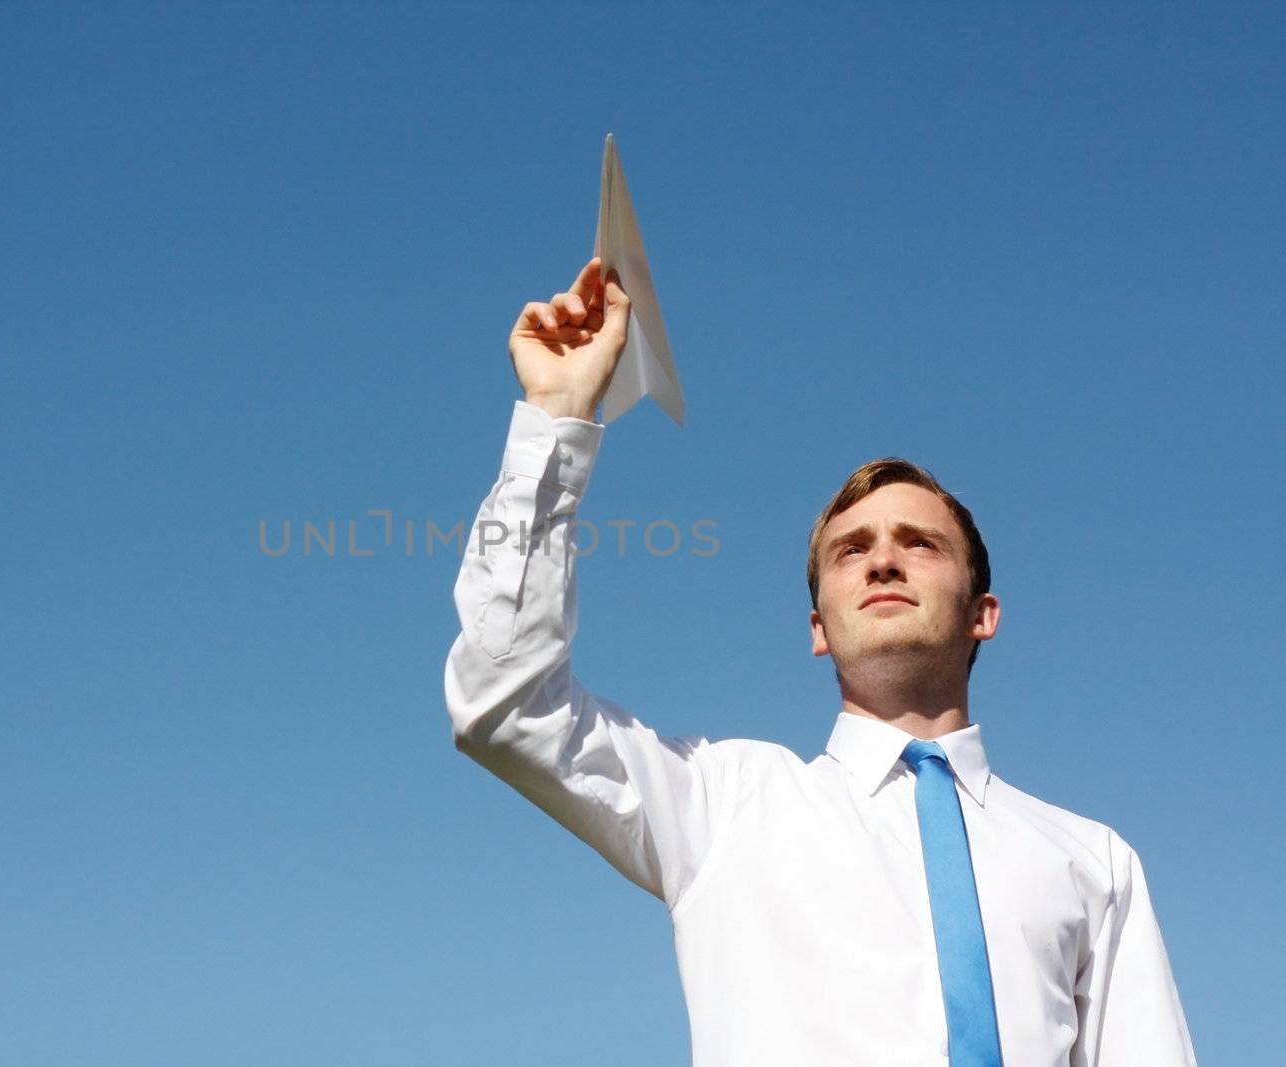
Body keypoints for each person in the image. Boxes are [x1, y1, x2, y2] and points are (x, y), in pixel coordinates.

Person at [442, 258, 1197, 1066]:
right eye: (851, 550)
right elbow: (506, 701)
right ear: (817, 628)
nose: (882, 561)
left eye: (921, 543)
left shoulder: (1094, 860)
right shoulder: (723, 804)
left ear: (984, 614)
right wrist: (555, 418)